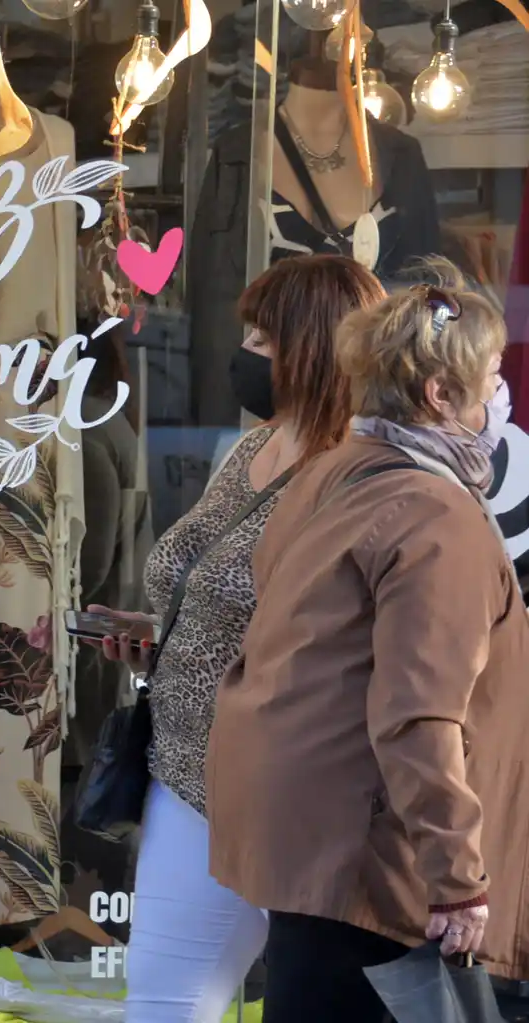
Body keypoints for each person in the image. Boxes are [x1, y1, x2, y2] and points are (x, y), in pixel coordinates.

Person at [205, 262, 529, 1019]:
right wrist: (460, 880)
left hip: (312, 838)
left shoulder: (333, 475)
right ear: (439, 396)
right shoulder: (433, 515)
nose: (499, 398)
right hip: (378, 859)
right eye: (488, 378)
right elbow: (419, 714)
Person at [90, 254, 387, 1021]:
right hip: (183, 765)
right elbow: (220, 591)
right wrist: (158, 632)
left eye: (263, 341)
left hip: (266, 784)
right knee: (164, 1001)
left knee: (188, 1002)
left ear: (313, 351)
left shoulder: (354, 478)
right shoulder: (256, 447)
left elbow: (322, 634)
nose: (244, 356)